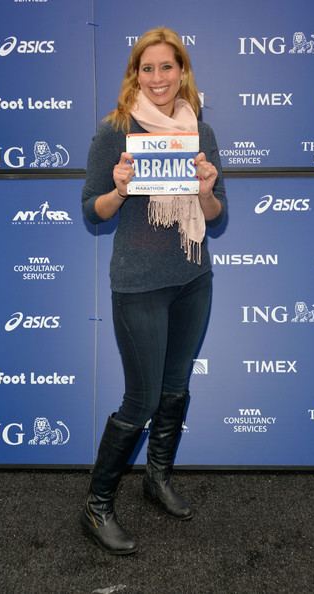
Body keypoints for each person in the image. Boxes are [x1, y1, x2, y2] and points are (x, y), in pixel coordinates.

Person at [81, 26, 227, 555]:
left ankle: (156, 477)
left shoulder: (199, 133)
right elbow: (90, 210)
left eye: (168, 67)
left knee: (175, 388)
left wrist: (206, 191)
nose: (159, 77)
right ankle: (97, 506)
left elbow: (215, 215)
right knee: (140, 399)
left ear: (182, 72)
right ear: (135, 75)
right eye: (148, 68)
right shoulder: (114, 131)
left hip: (192, 278)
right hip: (140, 285)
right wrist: (118, 191)